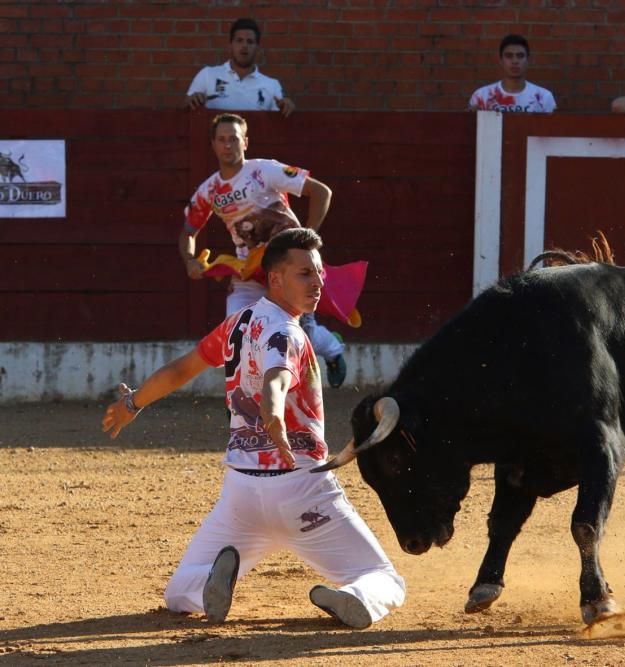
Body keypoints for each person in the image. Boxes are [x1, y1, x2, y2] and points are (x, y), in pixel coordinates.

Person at [102, 228, 405, 627]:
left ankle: (206, 586)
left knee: (178, 593)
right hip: (300, 488)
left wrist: (132, 403)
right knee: (385, 580)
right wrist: (273, 413)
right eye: (304, 274)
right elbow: (277, 377)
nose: (317, 283)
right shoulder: (289, 332)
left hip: (242, 494)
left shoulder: (236, 323)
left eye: (318, 273)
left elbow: (183, 368)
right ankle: (352, 595)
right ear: (275, 279)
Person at [179, 113, 347, 388]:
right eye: (221, 139)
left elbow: (322, 192)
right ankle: (241, 396)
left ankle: (331, 348)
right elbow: (187, 233)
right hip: (249, 269)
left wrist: (307, 238)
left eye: (233, 139)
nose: (227, 145)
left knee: (300, 332)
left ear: (245, 142)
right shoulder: (209, 190)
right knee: (236, 330)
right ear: (213, 145)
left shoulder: (264, 170)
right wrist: (189, 260)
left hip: (287, 263)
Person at [185, 17, 295, 118]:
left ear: (257, 48)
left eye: (250, 41)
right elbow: (186, 107)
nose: (244, 46)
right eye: (239, 40)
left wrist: (286, 107)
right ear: (230, 45)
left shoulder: (272, 85)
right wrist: (192, 100)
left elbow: (280, 123)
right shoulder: (208, 75)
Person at [468, 34, 556, 113]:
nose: (515, 61)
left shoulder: (543, 97)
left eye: (520, 56)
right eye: (509, 56)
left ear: (528, 60)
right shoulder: (482, 96)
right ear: (501, 61)